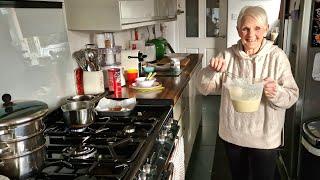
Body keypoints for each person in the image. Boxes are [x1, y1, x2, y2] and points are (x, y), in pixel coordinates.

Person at [196, 6, 299, 180]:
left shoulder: (277, 57)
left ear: (266, 28)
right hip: (233, 134)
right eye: (245, 28)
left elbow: (292, 95)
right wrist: (210, 71)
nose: (251, 34)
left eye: (257, 28)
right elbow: (203, 88)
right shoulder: (227, 56)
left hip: (264, 138)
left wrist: (276, 92)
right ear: (238, 30)